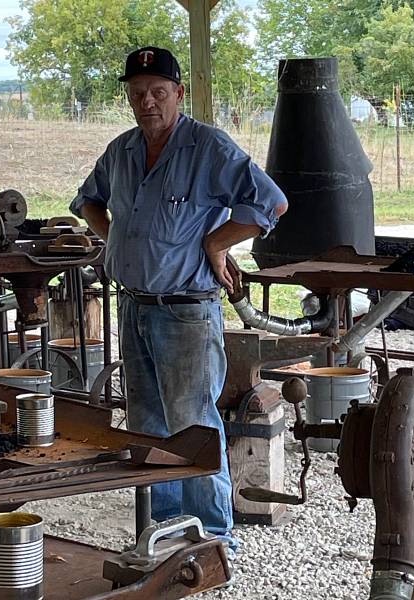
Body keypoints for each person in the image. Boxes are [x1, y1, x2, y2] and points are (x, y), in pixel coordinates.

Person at [70, 46, 288, 549]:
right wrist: (114, 237)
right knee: (146, 426)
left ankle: (213, 537)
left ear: (179, 94)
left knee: (193, 424)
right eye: (137, 93)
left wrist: (216, 242)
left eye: (158, 92)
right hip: (133, 306)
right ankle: (160, 528)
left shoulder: (208, 148)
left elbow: (271, 201)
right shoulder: (122, 150)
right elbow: (88, 200)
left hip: (187, 311)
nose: (147, 102)